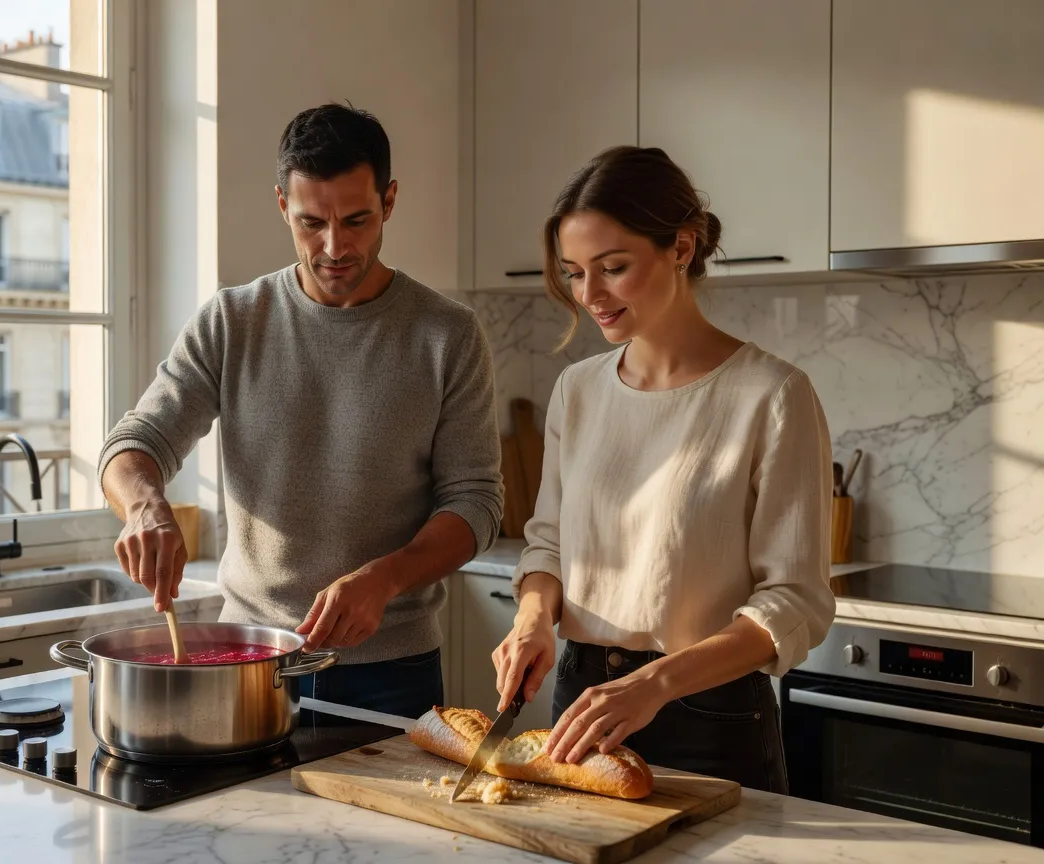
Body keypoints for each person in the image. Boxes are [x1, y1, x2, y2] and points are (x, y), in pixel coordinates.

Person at [98, 103, 503, 719]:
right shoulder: (233, 320)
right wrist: (145, 505)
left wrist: (385, 579)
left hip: (394, 669)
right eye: (312, 222)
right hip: (254, 662)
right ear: (283, 204)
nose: (335, 247)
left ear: (389, 201)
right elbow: (137, 442)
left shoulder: (447, 334)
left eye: (358, 220)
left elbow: (475, 502)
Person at [491, 145, 835, 793]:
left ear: (680, 248)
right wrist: (533, 618)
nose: (589, 295)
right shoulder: (577, 390)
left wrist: (655, 682)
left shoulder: (772, 395)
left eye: (612, 267)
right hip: (583, 700)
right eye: (573, 273)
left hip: (708, 713)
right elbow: (550, 543)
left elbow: (796, 601)